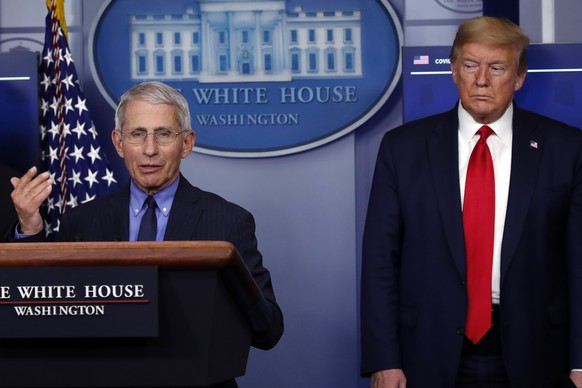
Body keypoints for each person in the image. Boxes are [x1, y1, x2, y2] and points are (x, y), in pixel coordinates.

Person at [9, 81, 284, 387]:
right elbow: (41, 313)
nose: (149, 149)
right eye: (137, 134)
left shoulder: (229, 222)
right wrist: (30, 229)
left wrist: (229, 290)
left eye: (164, 134)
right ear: (118, 142)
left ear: (187, 143)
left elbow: (268, 331)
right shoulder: (82, 222)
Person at [360, 16, 582, 388]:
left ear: (519, 77)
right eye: (469, 65)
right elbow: (380, 261)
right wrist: (384, 359)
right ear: (452, 70)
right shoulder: (403, 149)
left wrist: (581, 361)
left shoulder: (566, 149)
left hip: (538, 355)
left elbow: (579, 263)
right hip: (426, 353)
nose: (481, 80)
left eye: (496, 67)